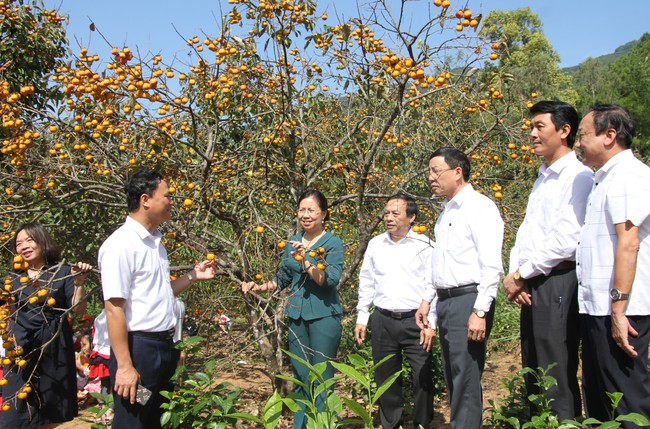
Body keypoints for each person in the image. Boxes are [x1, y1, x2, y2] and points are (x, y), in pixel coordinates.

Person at [98, 169, 216, 429]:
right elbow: (114, 308)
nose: (171, 201)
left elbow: (159, 294)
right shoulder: (121, 245)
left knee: (154, 417)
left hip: (162, 350)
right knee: (133, 419)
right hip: (138, 351)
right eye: (167, 195)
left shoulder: (155, 244)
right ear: (145, 200)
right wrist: (126, 367)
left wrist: (193, 276)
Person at [502, 101, 593, 420]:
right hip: (533, 281)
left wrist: (522, 272)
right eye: (532, 127)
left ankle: (565, 424)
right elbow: (526, 231)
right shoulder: (543, 177)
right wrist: (517, 273)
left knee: (555, 368)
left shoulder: (578, 176)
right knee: (533, 367)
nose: (532, 133)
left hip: (558, 280)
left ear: (564, 130)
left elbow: (567, 239)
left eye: (540, 126)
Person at [416, 147, 503, 428]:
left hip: (468, 299)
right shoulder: (445, 213)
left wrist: (480, 310)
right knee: (454, 376)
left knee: (465, 377)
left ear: (457, 172)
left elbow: (491, 265)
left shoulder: (480, 207)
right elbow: (441, 264)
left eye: (435, 171)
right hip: (447, 301)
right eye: (428, 171)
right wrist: (428, 301)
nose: (430, 177)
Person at [242, 190, 344, 429]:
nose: (305, 215)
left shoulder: (332, 243)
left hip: (324, 316)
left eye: (311, 210)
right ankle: (300, 426)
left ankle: (322, 424)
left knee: (322, 378)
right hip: (296, 316)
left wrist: (305, 260)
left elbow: (328, 279)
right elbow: (282, 278)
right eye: (302, 210)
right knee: (300, 377)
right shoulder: (293, 241)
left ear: (324, 214)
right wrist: (258, 287)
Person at [575, 104, 650, 426]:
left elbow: (628, 243)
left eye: (582, 136)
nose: (577, 143)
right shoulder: (602, 179)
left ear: (609, 136)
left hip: (620, 309)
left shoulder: (628, 176)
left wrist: (619, 310)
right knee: (600, 397)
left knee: (627, 399)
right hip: (600, 307)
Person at [354, 194, 435, 429]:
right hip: (383, 320)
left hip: (416, 321)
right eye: (386, 213)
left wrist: (432, 324)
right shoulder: (376, 244)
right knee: (386, 378)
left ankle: (422, 423)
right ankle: (392, 424)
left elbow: (433, 285)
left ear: (411, 217)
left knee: (422, 376)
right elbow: (366, 281)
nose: (388, 218)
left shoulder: (425, 245)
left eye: (395, 213)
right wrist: (362, 317)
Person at [0, 222, 92, 429]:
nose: (23, 246)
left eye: (29, 240)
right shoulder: (10, 280)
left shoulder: (63, 272)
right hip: (20, 353)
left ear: (42, 241)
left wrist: (78, 282)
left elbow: (78, 310)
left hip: (53, 351)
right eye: (18, 243)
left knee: (50, 416)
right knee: (15, 417)